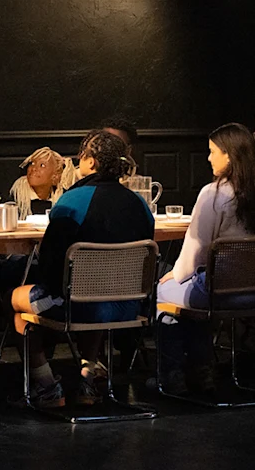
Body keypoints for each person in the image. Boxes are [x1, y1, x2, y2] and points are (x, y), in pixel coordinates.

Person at [10, 130, 154, 407]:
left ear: (90, 161)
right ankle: (87, 379)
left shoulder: (72, 201)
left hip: (79, 308)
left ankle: (47, 386)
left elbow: (50, 265)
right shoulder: (139, 203)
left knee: (13, 299)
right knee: (93, 290)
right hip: (129, 307)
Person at [154, 123, 255, 394]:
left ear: (229, 156)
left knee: (165, 292)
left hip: (221, 291)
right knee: (188, 295)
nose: (209, 158)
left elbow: (196, 249)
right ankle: (202, 371)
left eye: (212, 152)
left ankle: (173, 375)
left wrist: (176, 275)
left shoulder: (214, 193)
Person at [8, 147, 79, 219]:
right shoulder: (15, 201)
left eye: (42, 165)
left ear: (55, 177)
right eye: (32, 163)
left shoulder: (62, 202)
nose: (34, 168)